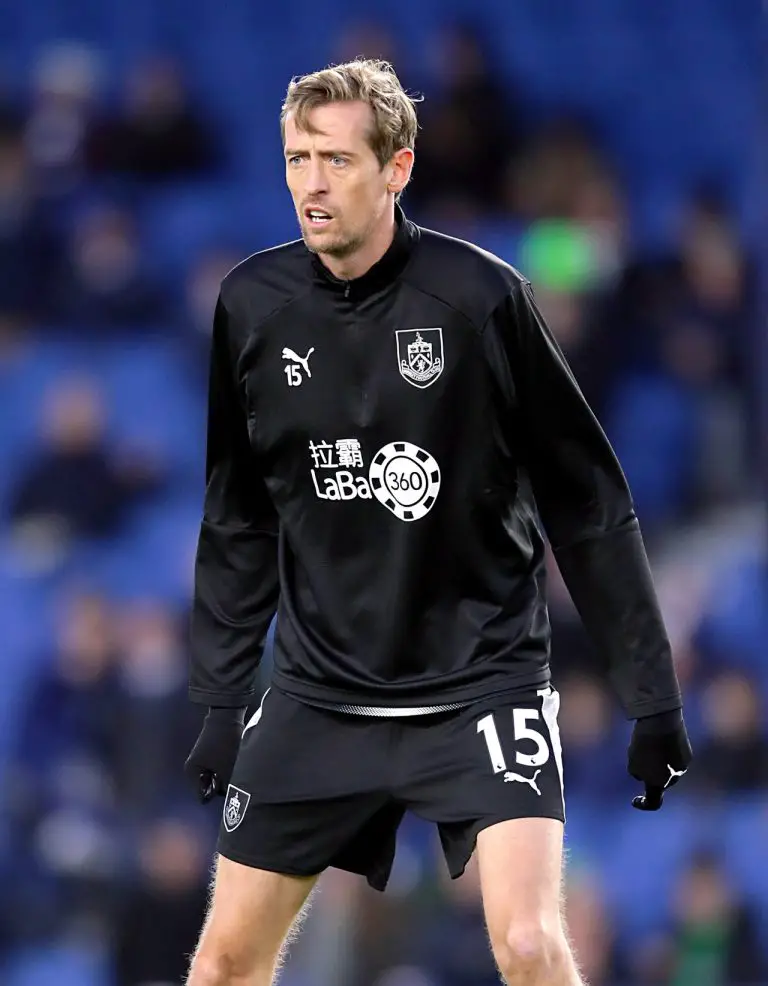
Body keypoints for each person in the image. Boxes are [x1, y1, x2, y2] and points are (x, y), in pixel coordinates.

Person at [183, 59, 692, 986]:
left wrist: (650, 696)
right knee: (221, 965)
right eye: (297, 159)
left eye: (337, 160)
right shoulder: (251, 306)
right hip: (321, 693)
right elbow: (239, 514)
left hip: (480, 685)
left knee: (530, 944)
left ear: (398, 168)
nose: (311, 184)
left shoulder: (480, 298)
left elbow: (587, 501)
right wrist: (221, 699)